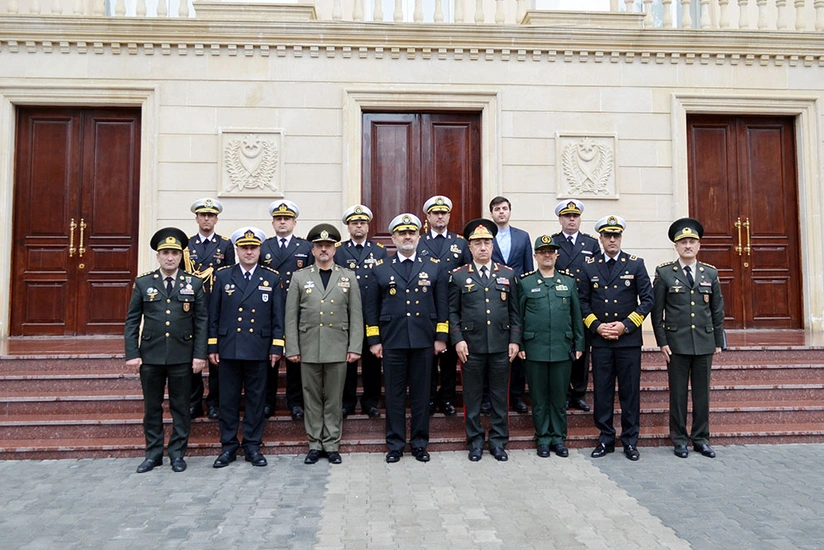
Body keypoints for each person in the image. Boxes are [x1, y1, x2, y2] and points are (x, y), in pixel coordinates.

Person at [365, 213, 449, 463]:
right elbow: (371, 307)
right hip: (392, 340)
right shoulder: (380, 268)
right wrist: (374, 340)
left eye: (411, 233)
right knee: (394, 395)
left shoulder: (433, 266)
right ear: (393, 239)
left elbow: (441, 304)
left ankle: (420, 443)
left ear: (419, 237)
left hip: (424, 340)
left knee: (422, 395)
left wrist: (441, 336)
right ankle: (395, 444)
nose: (407, 237)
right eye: (402, 233)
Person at [124, 227, 208, 474]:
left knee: (181, 407)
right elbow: (132, 320)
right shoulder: (143, 283)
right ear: (158, 256)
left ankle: (177, 454)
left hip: (182, 355)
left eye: (174, 253)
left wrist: (199, 354)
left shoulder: (194, 283)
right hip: (151, 355)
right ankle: (153, 454)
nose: (170, 257)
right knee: (152, 407)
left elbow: (201, 321)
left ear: (181, 256)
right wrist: (132, 353)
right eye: (165, 253)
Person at [286, 224, 363, 465]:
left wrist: (355, 346)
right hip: (308, 346)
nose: (323, 250)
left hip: (338, 346)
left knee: (333, 398)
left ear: (334, 249)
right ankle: (314, 444)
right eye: (319, 246)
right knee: (311, 398)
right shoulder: (300, 277)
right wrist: (292, 348)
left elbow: (356, 314)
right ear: (312, 249)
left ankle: (331, 444)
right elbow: (291, 316)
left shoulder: (347, 276)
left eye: (328, 246)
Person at [579, 216, 653, 461]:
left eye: (616, 235)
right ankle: (605, 438)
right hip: (601, 340)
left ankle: (630, 441)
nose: (612, 240)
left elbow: (648, 300)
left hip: (627, 341)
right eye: (607, 236)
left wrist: (626, 325)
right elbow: (582, 302)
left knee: (630, 392)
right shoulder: (589, 266)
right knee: (603, 391)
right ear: (600, 238)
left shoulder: (636, 264)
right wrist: (596, 326)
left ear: (621, 237)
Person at [209, 227, 284, 468]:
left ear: (260, 250)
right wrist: (212, 345)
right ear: (237, 250)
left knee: (255, 400)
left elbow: (278, 316)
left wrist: (276, 347)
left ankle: (252, 445)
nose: (249, 252)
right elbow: (213, 315)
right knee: (228, 400)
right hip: (229, 348)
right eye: (244, 248)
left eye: (253, 248)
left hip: (258, 348)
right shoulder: (223, 276)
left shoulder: (271, 278)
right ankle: (228, 446)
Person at [448, 219, 521, 462]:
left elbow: (515, 312)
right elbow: (452, 312)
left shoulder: (507, 274)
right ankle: (475, 442)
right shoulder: (459, 276)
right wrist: (457, 339)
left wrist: (515, 340)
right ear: (469, 247)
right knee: (472, 397)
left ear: (492, 246)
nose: (482, 247)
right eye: (477, 243)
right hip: (471, 347)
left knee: (500, 397)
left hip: (501, 345)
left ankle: (499, 442)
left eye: (487, 242)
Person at [652, 218, 725, 459]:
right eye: (683, 242)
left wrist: (718, 341)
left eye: (692, 241)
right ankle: (680, 439)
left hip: (704, 342)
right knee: (678, 394)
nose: (688, 246)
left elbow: (717, 310)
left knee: (702, 395)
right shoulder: (664, 273)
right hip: (676, 343)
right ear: (676, 246)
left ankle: (701, 438)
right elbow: (657, 311)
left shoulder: (710, 273)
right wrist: (662, 342)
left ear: (699, 245)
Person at [518, 235, 584, 458]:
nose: (547, 255)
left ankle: (558, 438)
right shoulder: (525, 283)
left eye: (551, 251)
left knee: (558, 396)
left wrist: (579, 343)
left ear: (557, 255)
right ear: (535, 256)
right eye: (542, 251)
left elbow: (576, 315)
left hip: (561, 347)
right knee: (538, 398)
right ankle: (543, 438)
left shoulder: (568, 282)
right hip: (534, 348)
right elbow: (518, 317)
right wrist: (519, 344)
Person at [259, 199, 314, 420]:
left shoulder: (305, 247)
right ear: (273, 223)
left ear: (294, 223)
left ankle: (296, 402)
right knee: (269, 358)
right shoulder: (264, 247)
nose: (283, 222)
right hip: (269, 308)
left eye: (287, 219)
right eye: (279, 219)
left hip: (297, 308)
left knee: (295, 357)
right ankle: (267, 402)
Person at [417, 195, 470, 416]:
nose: (440, 216)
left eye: (444, 213)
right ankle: (429, 398)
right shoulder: (419, 241)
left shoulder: (460, 243)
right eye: (435, 213)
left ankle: (447, 398)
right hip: (426, 307)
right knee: (428, 357)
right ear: (428, 217)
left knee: (449, 358)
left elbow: (468, 274)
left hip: (452, 306)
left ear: (448, 216)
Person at [334, 205, 387, 419]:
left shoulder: (379, 250)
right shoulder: (339, 250)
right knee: (346, 361)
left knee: (372, 361)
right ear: (348, 227)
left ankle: (370, 402)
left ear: (368, 226)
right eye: (354, 223)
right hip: (345, 314)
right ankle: (346, 402)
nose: (359, 226)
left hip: (371, 314)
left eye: (362, 223)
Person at [186, 198, 235, 421]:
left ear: (216, 219)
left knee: (217, 360)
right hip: (193, 307)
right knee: (193, 358)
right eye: (203, 215)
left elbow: (230, 277)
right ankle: (194, 402)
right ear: (196, 218)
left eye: (211, 215)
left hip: (218, 306)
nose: (207, 219)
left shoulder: (225, 245)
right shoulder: (187, 245)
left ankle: (215, 402)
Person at [552, 199, 600, 413]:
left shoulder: (591, 244)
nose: (571, 220)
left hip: (583, 304)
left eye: (575, 216)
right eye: (567, 216)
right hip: (560, 303)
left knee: (582, 351)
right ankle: (563, 393)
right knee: (563, 351)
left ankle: (579, 393)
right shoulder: (553, 242)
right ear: (560, 219)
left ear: (580, 219)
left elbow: (597, 274)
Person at [489, 195, 533, 415]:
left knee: (517, 345)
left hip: (516, 296)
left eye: (504, 208)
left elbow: (528, 269)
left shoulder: (522, 236)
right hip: (492, 296)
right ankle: (489, 397)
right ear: (491, 213)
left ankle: (516, 396)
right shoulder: (486, 237)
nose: (501, 212)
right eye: (497, 209)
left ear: (509, 211)